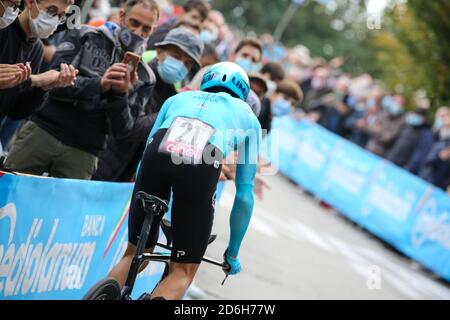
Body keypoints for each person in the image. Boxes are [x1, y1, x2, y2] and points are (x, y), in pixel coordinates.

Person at [107, 62, 262, 300]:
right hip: (202, 160)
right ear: (243, 93)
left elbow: (143, 160)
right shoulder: (249, 117)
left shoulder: (178, 99)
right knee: (182, 271)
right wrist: (232, 253)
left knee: (134, 255)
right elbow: (244, 194)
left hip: (156, 153)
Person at [3, 0, 159, 179]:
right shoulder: (86, 34)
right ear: (122, 16)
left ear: (153, 30)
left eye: (146, 28)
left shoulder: (146, 76)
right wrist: (100, 85)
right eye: (134, 23)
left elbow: (123, 131)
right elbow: (54, 82)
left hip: (85, 151)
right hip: (44, 131)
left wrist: (119, 95)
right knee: (10, 194)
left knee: (63, 207)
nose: (138, 32)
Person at [93, 27, 203, 182]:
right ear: (159, 52)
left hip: (123, 178)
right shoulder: (137, 76)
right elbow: (129, 129)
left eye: (187, 63)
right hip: (99, 164)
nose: (181, 65)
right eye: (176, 56)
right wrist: (170, 114)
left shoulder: (172, 95)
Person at [0, 0, 78, 116]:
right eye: (51, 10)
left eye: (61, 16)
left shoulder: (37, 49)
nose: (55, 20)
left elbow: (15, 111)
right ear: (30, 2)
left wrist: (42, 88)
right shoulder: (3, 27)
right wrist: (35, 80)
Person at [419, 107, 450, 190]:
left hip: (435, 184)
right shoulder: (431, 133)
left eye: (444, 116)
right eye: (439, 116)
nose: (441, 119)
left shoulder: (446, 138)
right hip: (421, 175)